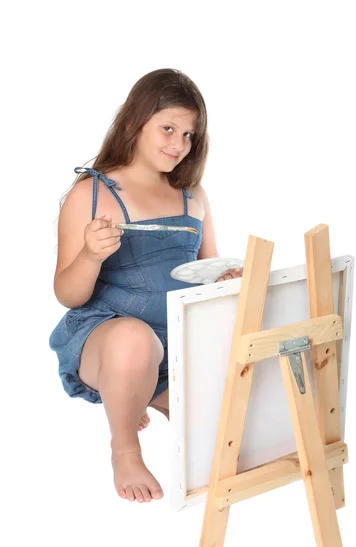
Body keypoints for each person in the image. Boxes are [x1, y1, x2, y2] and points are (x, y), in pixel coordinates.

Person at [49, 68, 243, 504]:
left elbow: (205, 270)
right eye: (168, 128)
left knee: (225, 435)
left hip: (176, 342)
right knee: (135, 341)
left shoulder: (192, 193)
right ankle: (125, 448)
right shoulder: (93, 193)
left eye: (189, 135)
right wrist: (91, 255)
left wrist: (225, 278)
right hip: (108, 338)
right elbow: (67, 293)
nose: (178, 144)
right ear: (136, 122)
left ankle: (143, 392)